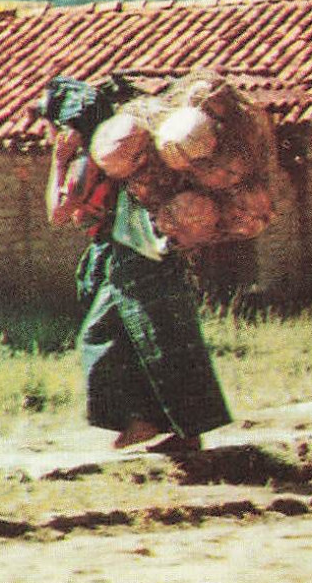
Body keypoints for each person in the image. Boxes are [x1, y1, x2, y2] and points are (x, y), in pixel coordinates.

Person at [39, 77, 232, 454]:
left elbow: (58, 214)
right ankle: (162, 425)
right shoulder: (118, 149)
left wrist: (57, 161)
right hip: (149, 251)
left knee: (125, 337)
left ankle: (150, 424)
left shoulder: (89, 159)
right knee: (154, 337)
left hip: (137, 255)